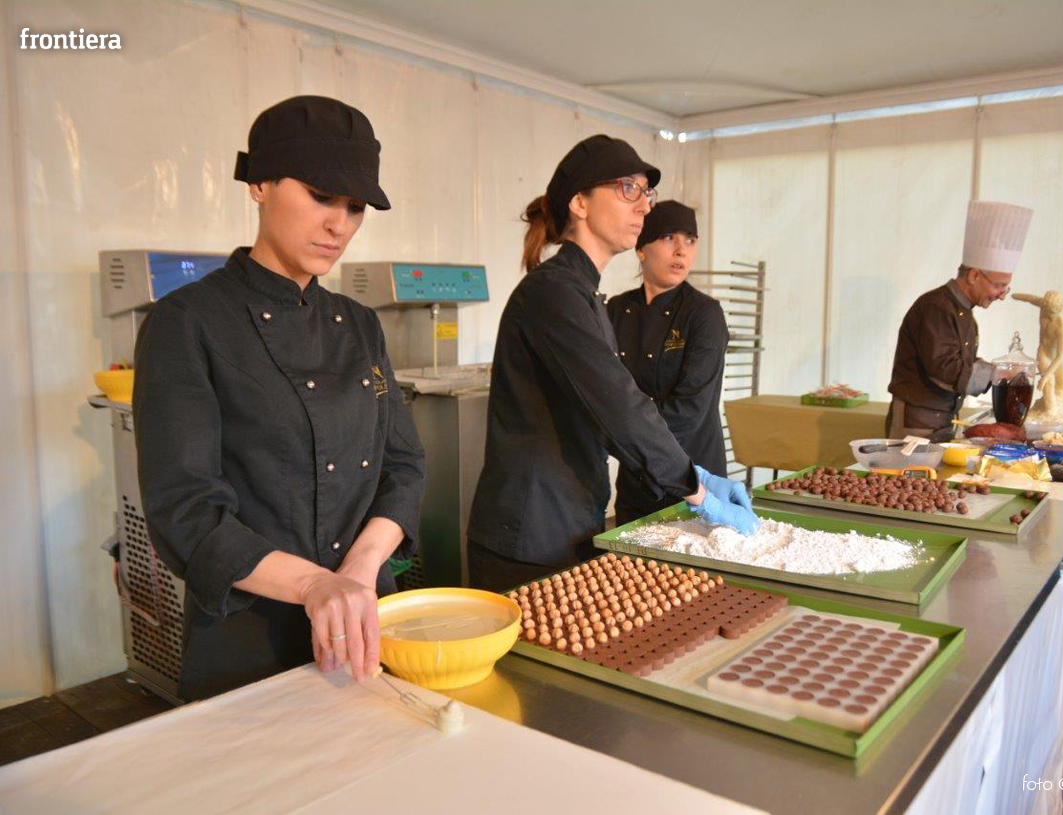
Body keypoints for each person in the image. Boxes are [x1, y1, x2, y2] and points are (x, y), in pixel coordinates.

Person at [133, 96, 426, 701]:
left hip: (365, 617)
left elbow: (403, 465)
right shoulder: (187, 322)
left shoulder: (361, 324)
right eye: (322, 196)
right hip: (248, 633)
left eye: (355, 207)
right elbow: (186, 509)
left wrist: (359, 572)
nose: (339, 225)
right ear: (260, 184)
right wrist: (314, 586)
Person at [467, 135, 758, 592]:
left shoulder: (584, 294)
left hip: (568, 518)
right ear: (580, 202)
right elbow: (618, 405)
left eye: (647, 192)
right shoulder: (554, 292)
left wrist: (691, 475)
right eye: (628, 188)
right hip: (530, 535)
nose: (644, 205)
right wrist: (696, 486)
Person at [606, 201, 729, 526]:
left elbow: (690, 409)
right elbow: (606, 390)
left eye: (690, 240)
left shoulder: (704, 314)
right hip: (636, 478)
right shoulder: (616, 310)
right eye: (668, 237)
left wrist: (624, 437)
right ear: (641, 248)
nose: (681, 250)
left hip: (694, 476)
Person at [885, 200, 1033, 441]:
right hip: (917, 423)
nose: (1002, 295)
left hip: (942, 420)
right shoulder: (936, 307)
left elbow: (963, 363)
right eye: (999, 286)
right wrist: (1000, 372)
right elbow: (945, 368)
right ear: (974, 275)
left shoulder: (963, 311)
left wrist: (1000, 372)